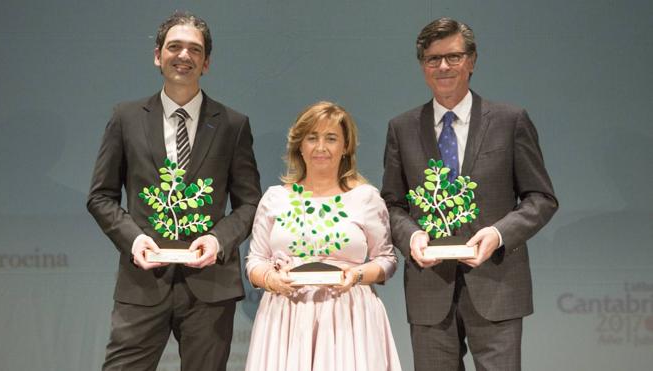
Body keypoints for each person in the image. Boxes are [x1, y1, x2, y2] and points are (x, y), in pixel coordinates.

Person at [87, 11, 261, 371]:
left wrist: (217, 240)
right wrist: (135, 241)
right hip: (143, 280)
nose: (184, 56)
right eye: (174, 47)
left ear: (206, 62)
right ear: (157, 55)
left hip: (210, 285)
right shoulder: (126, 117)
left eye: (194, 50)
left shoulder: (233, 124)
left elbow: (249, 203)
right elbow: (100, 196)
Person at [381, 17, 558, 370]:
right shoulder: (402, 128)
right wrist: (411, 236)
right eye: (433, 59)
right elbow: (392, 204)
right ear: (422, 66)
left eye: (454, 56)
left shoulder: (510, 120)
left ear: (472, 61)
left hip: (496, 282)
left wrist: (497, 234)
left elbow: (541, 198)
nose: (443, 66)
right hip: (429, 287)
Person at [245, 101, 402, 371]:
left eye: (331, 138)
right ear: (299, 146)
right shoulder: (275, 198)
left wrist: (357, 275)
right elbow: (255, 261)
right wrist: (271, 279)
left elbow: (386, 260)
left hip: (349, 316)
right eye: (312, 138)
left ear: (346, 147)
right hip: (285, 317)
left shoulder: (365, 198)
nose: (320, 147)